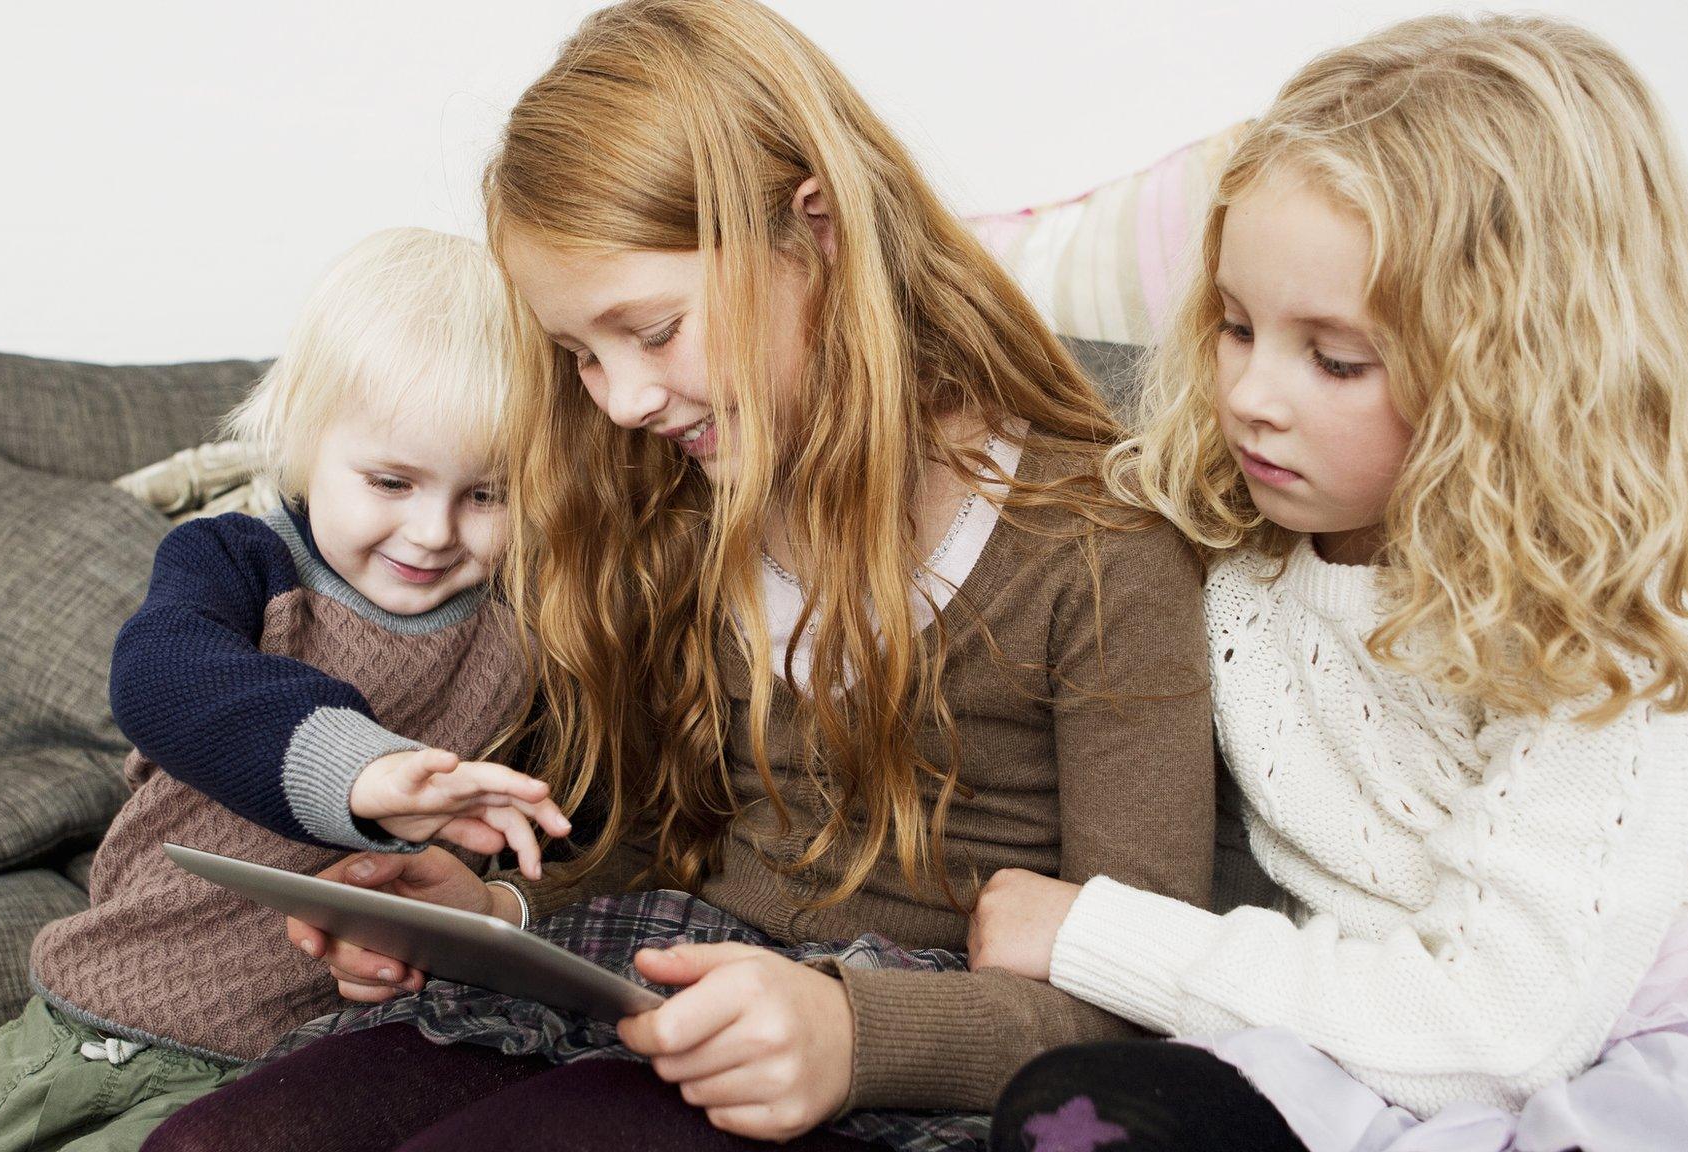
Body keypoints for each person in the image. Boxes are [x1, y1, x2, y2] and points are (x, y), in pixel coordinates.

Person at [143, 2, 1218, 1150]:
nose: (621, 400)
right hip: (659, 959)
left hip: (905, 1037)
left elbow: (1144, 990)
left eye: (650, 332)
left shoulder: (1096, 549)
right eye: (578, 356)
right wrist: (494, 910)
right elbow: (670, 842)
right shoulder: (677, 509)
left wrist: (857, 1035)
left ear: (814, 232)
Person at [973, 15, 1688, 1152]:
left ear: (1509, 378)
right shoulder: (1223, 553)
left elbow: (1500, 1034)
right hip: (1371, 1036)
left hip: (1667, 1034)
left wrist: (1100, 935)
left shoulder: (1608, 650)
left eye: (1334, 359)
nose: (1252, 394)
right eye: (1233, 325)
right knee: (1074, 1111)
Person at [0, 228, 570, 1152]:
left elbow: (531, 850)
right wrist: (364, 775)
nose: (431, 531)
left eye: (487, 495)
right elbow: (163, 675)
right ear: (305, 444)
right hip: (91, 1015)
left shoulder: (523, 638)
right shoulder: (238, 560)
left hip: (286, 1071)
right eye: (391, 480)